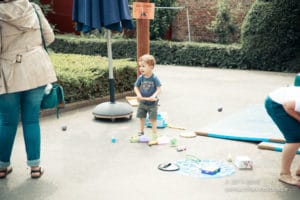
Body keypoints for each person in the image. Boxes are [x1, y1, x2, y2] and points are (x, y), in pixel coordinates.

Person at [0, 0, 57, 179]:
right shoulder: (32, 7)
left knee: (7, 122)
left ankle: (2, 166)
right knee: (31, 120)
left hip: (10, 72)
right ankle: (35, 167)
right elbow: (50, 38)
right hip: (37, 69)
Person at [265, 86, 300, 186]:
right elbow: (287, 105)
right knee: (295, 138)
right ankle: (284, 174)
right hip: (276, 104)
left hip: (289, 102)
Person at [134, 54, 161, 142]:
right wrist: (138, 95)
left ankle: (154, 134)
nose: (141, 68)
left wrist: (153, 96)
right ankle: (141, 132)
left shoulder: (154, 78)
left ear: (151, 67)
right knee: (141, 117)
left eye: (143, 66)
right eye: (140, 66)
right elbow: (136, 87)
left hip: (152, 103)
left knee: (152, 119)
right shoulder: (141, 78)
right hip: (142, 102)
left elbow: (159, 88)